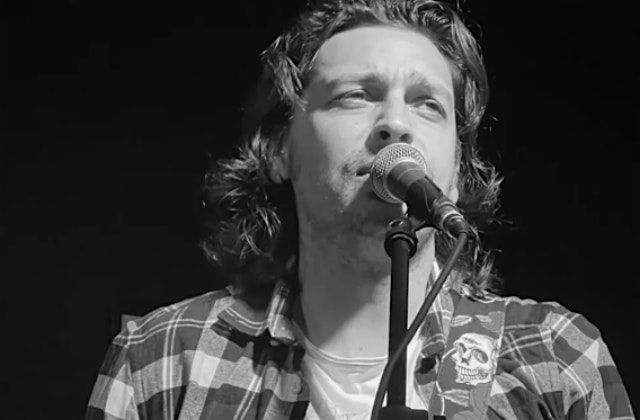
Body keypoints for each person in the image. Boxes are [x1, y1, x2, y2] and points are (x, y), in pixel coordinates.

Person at [86, 0, 634, 419]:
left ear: (457, 168)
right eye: (355, 95)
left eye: (427, 105)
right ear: (278, 150)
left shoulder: (555, 355)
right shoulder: (162, 356)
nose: (396, 124)